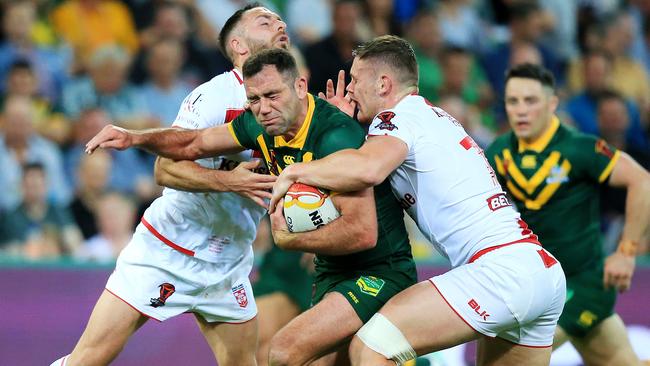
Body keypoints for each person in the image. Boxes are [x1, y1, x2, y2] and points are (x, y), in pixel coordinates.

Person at [85, 47, 417, 366]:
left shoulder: (334, 137)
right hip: (330, 269)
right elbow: (194, 142)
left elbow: (362, 233)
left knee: (286, 351)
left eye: (272, 96)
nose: (263, 108)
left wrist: (289, 239)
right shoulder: (262, 125)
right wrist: (134, 138)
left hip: (377, 269)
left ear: (301, 86)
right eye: (254, 100)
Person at [267, 35, 567, 365]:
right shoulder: (427, 118)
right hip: (538, 270)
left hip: (498, 271)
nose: (350, 89)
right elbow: (366, 159)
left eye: (354, 79)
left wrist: (296, 172)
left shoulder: (396, 118)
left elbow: (368, 168)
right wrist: (342, 126)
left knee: (371, 348)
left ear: (383, 84)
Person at [48, 5, 283, 366]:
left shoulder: (289, 103)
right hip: (168, 248)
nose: (280, 24)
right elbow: (165, 170)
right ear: (239, 45)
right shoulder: (215, 96)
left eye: (280, 20)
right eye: (265, 22)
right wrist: (230, 181)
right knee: (89, 360)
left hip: (228, 259)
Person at [486, 63, 650, 366]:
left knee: (514, 360)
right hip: (538, 285)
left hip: (585, 282)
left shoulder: (579, 148)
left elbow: (641, 180)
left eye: (531, 101)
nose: (520, 110)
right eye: (513, 101)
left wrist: (626, 252)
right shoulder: (499, 153)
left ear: (552, 104)